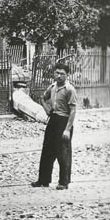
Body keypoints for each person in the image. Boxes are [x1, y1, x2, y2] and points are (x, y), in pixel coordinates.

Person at [31, 62, 77, 190]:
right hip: (53, 120)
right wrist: (47, 109)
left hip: (64, 120)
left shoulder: (70, 90)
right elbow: (42, 98)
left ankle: (64, 182)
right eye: (57, 73)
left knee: (63, 152)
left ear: (67, 75)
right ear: (54, 73)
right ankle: (43, 180)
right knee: (47, 150)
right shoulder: (52, 87)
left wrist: (67, 130)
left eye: (62, 74)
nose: (59, 76)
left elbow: (73, 111)